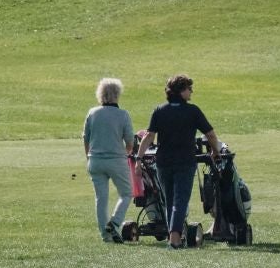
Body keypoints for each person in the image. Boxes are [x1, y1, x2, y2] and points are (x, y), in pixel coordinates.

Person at [142, 73, 220, 249]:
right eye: (189, 88)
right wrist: (215, 151)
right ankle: (175, 239)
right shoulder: (192, 111)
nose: (191, 92)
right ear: (181, 91)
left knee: (170, 201)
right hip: (185, 162)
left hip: (163, 162)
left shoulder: (160, 111)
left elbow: (149, 136)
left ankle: (174, 236)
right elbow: (210, 134)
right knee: (180, 200)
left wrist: (139, 157)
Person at [83, 77, 134, 242]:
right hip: (116, 160)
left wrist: (89, 157)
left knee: (101, 199)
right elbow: (130, 141)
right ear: (117, 94)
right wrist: (125, 153)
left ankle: (106, 236)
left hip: (95, 160)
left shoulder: (92, 112)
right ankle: (115, 221)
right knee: (127, 193)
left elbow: (86, 138)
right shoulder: (123, 114)